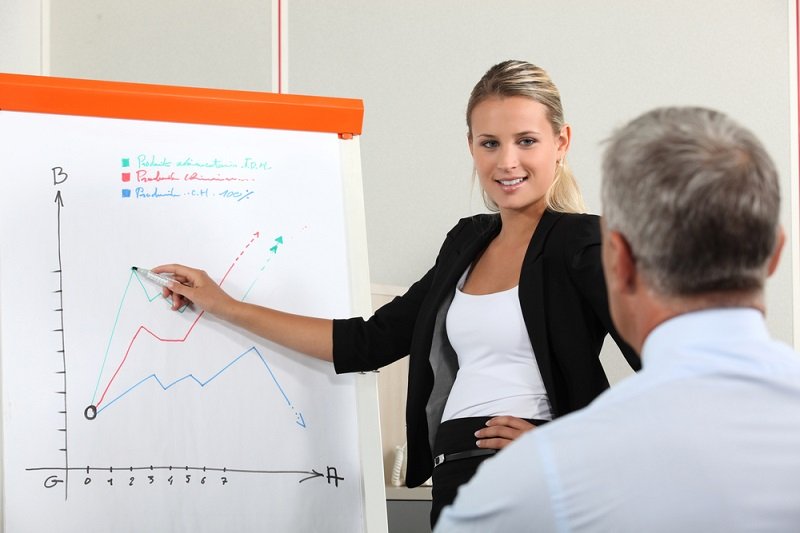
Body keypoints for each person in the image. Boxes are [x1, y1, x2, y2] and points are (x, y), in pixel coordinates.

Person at [154, 60, 638, 526]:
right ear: (471, 146)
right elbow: (366, 343)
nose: (506, 161)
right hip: (455, 481)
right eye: (490, 143)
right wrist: (224, 305)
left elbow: (672, 369)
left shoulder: (585, 243)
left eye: (526, 141)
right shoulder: (466, 243)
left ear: (561, 142)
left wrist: (566, 449)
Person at [434, 106, 800, 532]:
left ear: (618, 261)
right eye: (491, 143)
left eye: (526, 140)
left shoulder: (541, 476)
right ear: (775, 253)